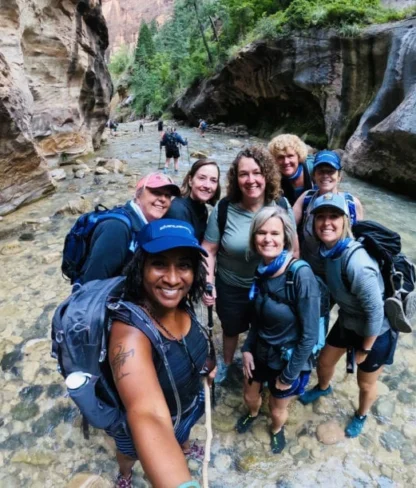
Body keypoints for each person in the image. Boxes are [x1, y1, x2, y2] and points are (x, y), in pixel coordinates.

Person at [108, 219, 215, 488]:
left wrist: (207, 364)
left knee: (183, 434)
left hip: (187, 406)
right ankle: (125, 474)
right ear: (140, 267)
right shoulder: (130, 334)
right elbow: (148, 415)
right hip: (143, 428)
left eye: (184, 265)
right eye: (159, 263)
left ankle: (184, 447)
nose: (172, 278)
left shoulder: (183, 303)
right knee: (130, 451)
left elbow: (189, 346)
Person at [299, 193, 398, 438]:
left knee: (365, 383)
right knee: (324, 362)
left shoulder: (357, 262)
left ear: (345, 221)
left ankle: (361, 414)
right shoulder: (328, 251)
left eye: (334, 216)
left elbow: (375, 311)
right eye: (320, 217)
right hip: (348, 321)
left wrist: (364, 349)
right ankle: (323, 387)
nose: (326, 222)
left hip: (377, 332)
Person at [202, 146, 299, 383]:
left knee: (264, 334)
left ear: (266, 175)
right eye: (244, 174)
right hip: (231, 286)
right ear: (236, 178)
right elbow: (208, 249)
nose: (251, 180)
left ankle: (258, 373)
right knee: (231, 329)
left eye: (257, 173)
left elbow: (293, 250)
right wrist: (208, 282)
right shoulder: (224, 208)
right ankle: (226, 365)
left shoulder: (281, 206)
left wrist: (289, 287)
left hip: (269, 288)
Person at [236, 206, 320, 454]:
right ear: (254, 237)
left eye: (274, 233)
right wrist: (248, 348)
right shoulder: (262, 269)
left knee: (276, 408)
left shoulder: (300, 275)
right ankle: (252, 414)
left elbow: (310, 335)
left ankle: (275, 430)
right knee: (250, 397)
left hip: (287, 360)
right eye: (261, 233)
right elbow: (258, 319)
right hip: (260, 351)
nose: (268, 239)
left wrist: (288, 376)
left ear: (286, 238)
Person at [79, 172, 180, 284]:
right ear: (138, 195)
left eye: (168, 196)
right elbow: (92, 286)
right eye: (156, 192)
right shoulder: (117, 229)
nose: (163, 199)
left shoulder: (146, 224)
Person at [293, 150, 364, 278]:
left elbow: (360, 241)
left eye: (330, 171)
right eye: (321, 171)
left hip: (342, 275)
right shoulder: (306, 199)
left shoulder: (352, 204)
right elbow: (288, 228)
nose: (325, 175)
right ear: (314, 176)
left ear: (339, 176)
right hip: (310, 272)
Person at [165, 159, 221, 242]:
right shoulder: (177, 211)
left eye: (213, 180)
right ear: (190, 180)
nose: (207, 185)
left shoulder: (201, 207)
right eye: (202, 178)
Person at [268, 134, 315, 206]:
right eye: (281, 157)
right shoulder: (271, 176)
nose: (286, 162)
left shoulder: (312, 169)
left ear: (299, 156)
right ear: (274, 159)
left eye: (290, 156)